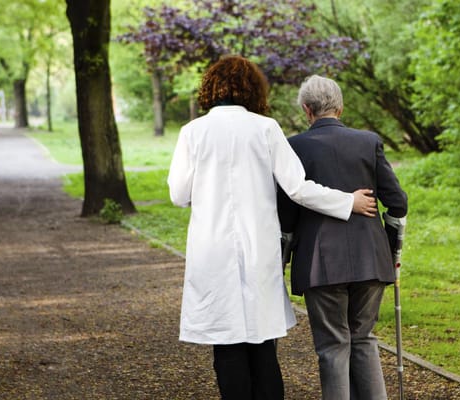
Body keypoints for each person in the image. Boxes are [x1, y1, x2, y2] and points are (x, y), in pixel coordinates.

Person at [167, 56, 378, 400]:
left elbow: (178, 194)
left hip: (213, 250)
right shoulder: (266, 128)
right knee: (263, 345)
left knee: (227, 345)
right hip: (258, 249)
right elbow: (297, 187)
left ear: (211, 88)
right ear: (253, 89)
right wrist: (347, 202)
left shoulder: (192, 132)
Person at [277, 75, 408, 400]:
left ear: (307, 110)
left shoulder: (293, 146)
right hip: (371, 260)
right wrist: (390, 245)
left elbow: (287, 212)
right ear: (341, 106)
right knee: (363, 339)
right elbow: (398, 202)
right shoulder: (368, 141)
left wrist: (284, 253)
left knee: (333, 346)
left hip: (321, 263)